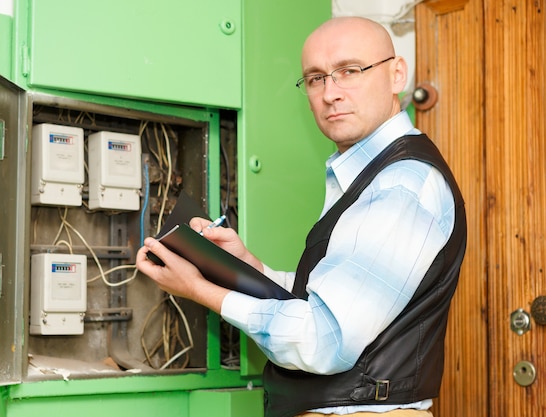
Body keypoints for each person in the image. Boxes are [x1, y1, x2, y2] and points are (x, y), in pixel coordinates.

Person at [136, 16, 467, 417]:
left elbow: (324, 340)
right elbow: (328, 301)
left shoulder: (400, 184)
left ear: (396, 74)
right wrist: (249, 267)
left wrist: (203, 291)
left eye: (350, 71)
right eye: (315, 79)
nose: (331, 93)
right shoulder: (372, 173)